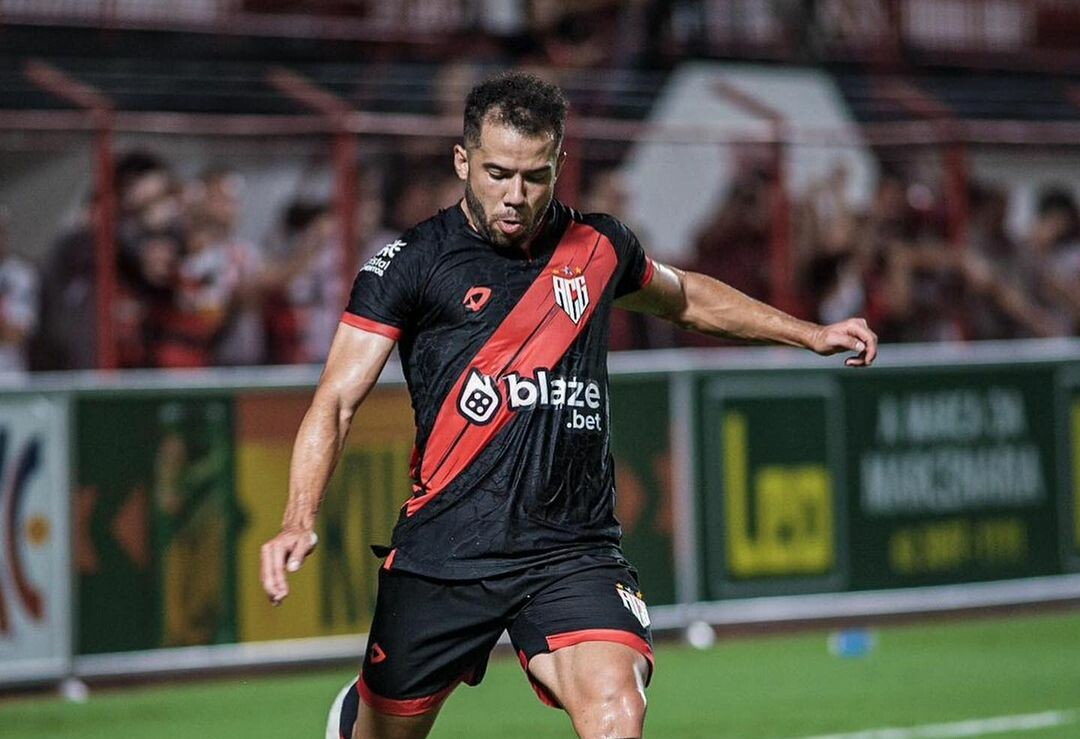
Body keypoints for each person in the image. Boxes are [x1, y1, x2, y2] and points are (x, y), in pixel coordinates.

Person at [260, 71, 877, 739]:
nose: (515, 196)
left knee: (617, 709)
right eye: (497, 174)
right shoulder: (409, 263)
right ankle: (357, 714)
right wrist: (297, 517)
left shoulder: (600, 246)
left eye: (535, 176)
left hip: (571, 549)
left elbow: (686, 298)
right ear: (463, 161)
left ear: (559, 163)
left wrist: (808, 333)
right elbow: (336, 401)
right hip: (447, 551)